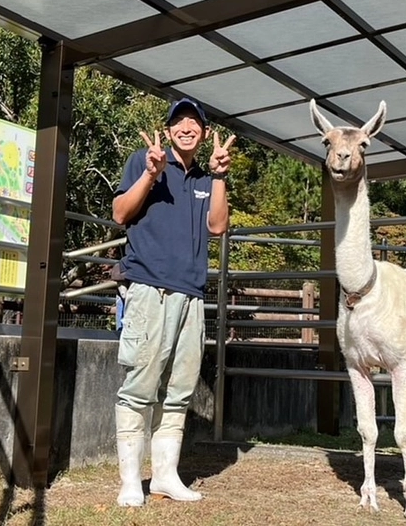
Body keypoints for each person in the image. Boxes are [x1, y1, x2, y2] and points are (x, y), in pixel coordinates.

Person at [111, 97, 234, 507]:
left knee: (180, 391)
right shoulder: (142, 162)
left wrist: (219, 176)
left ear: (202, 133)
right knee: (139, 387)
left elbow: (217, 226)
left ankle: (165, 477)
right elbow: (120, 213)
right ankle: (130, 481)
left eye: (194, 123)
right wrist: (150, 175)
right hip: (149, 290)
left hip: (192, 297)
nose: (187, 127)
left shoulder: (205, 179)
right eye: (179, 122)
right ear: (167, 131)